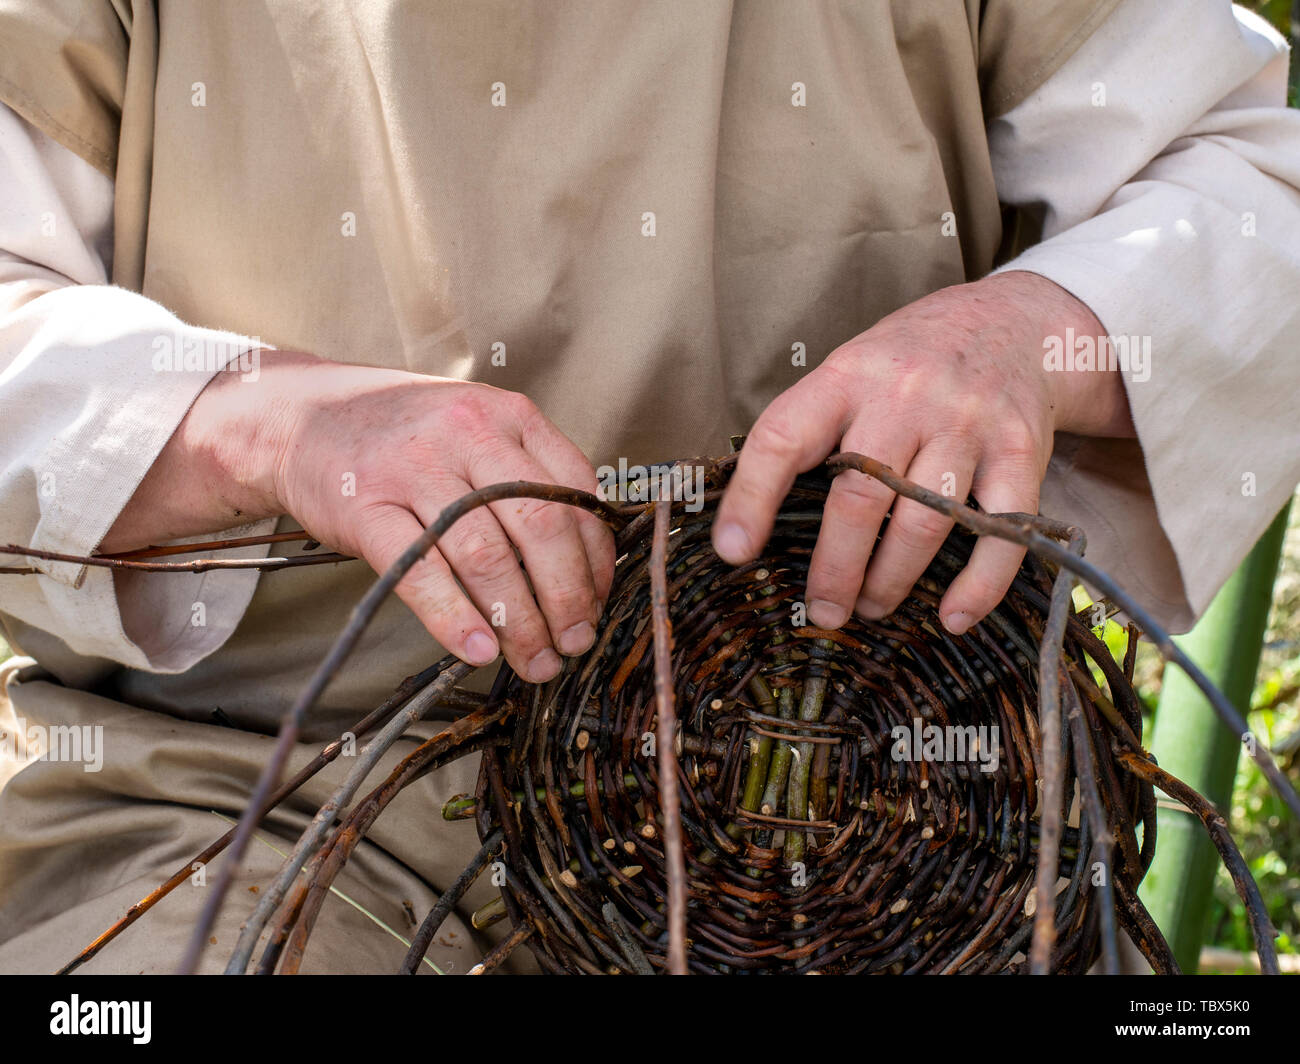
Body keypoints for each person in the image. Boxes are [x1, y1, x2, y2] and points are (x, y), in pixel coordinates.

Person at [1, 0, 1297, 973]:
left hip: (900, 852)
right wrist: (273, 427)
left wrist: (1028, 333)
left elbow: (1256, 188)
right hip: (256, 808)